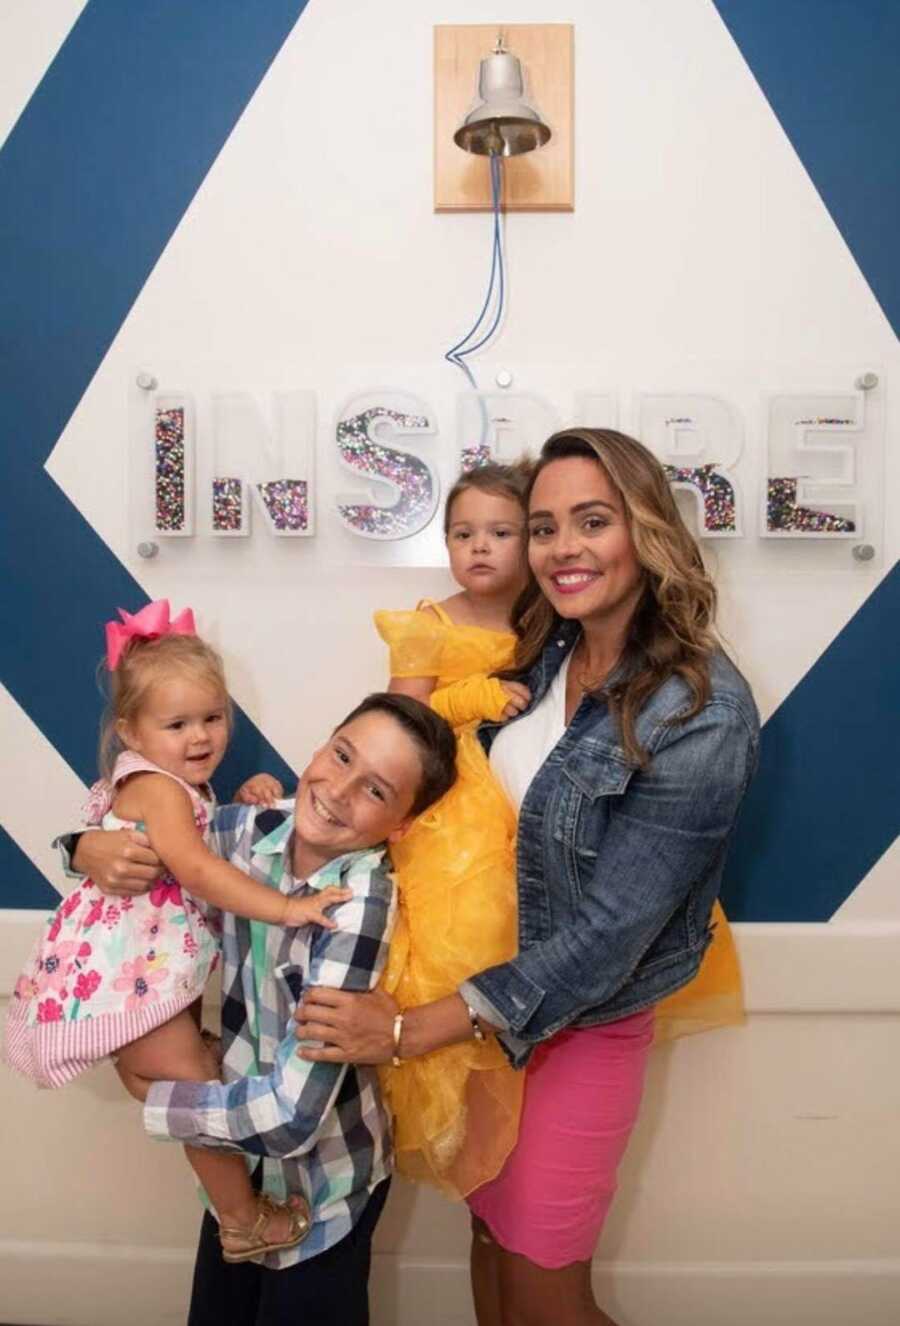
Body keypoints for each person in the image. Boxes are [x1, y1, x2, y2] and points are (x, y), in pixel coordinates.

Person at [293, 429, 761, 1326]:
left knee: (547, 1294)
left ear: (647, 529)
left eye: (593, 521)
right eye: (543, 527)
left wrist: (407, 1029)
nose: (561, 549)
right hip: (486, 1012)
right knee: (492, 1252)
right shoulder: (545, 654)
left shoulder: (701, 711)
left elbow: (609, 936)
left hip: (575, 1024)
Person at [63, 691, 457, 1326]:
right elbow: (140, 838)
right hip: (237, 1175)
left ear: (403, 825)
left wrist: (156, 1095)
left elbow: (291, 1120)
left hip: (324, 1186)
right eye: (341, 754)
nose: (338, 789)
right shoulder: (252, 830)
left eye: (376, 791)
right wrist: (82, 848)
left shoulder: (357, 908)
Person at [6, 599, 350, 1262]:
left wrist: (243, 797)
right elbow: (193, 867)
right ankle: (243, 1221)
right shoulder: (160, 789)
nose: (201, 737)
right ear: (131, 732)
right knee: (198, 1092)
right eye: (177, 724)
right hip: (130, 974)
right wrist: (284, 909)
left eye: (213, 718)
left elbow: (202, 841)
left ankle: (231, 1195)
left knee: (178, 1078)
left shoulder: (168, 784)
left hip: (141, 968)